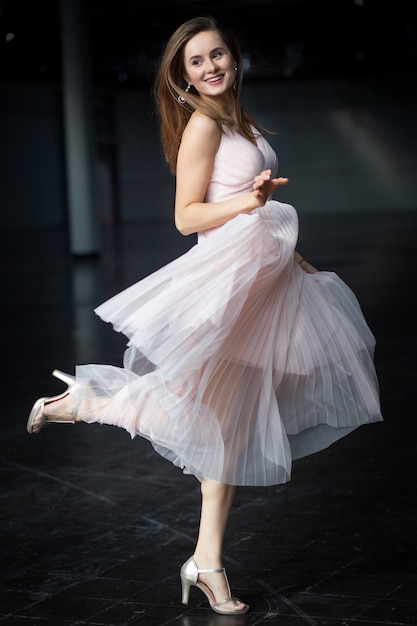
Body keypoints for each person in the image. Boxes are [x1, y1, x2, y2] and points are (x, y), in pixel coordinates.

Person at [27, 15, 383, 616]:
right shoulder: (201, 126)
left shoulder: (238, 121)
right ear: (183, 77)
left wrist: (300, 260)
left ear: (234, 61)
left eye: (217, 54)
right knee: (215, 423)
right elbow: (187, 217)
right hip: (227, 289)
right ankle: (89, 403)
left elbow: (261, 214)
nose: (211, 66)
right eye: (197, 61)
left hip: (265, 284)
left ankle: (206, 562)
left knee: (231, 429)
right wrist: (251, 200)